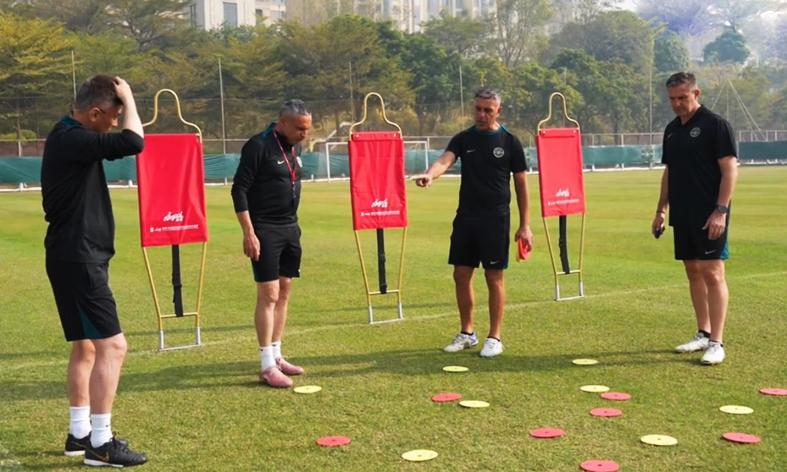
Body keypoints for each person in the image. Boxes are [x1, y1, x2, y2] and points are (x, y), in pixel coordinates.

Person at [41, 75, 147, 467]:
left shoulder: (67, 135)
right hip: (79, 257)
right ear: (96, 113)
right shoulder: (72, 138)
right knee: (113, 346)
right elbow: (134, 142)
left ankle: (79, 433)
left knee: (86, 346)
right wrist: (129, 97)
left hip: (73, 255)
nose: (116, 122)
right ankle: (101, 443)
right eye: (113, 116)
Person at [414, 88, 533, 358]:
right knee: (461, 274)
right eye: (478, 109)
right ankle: (467, 333)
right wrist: (431, 174)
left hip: (496, 219)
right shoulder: (463, 138)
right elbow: (445, 160)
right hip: (466, 217)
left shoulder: (510, 142)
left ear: (498, 111)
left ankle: (494, 337)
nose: (481, 114)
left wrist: (525, 224)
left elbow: (521, 185)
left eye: (487, 110)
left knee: (494, 276)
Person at [652, 72, 738, 365]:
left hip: (710, 212)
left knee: (713, 272)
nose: (677, 104)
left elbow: (729, 170)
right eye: (672, 99)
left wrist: (720, 211)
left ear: (696, 94)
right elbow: (669, 172)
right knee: (692, 271)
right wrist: (661, 210)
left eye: (682, 97)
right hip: (682, 212)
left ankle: (717, 342)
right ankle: (703, 332)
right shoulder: (671, 130)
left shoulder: (716, 125)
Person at [231, 100, 312, 388]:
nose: (304, 134)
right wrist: (249, 232)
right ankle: (266, 365)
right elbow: (239, 189)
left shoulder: (293, 147)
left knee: (285, 290)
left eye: (307, 129)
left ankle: (277, 355)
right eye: (300, 128)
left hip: (290, 227)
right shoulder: (258, 146)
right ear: (283, 123)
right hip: (265, 229)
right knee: (269, 294)